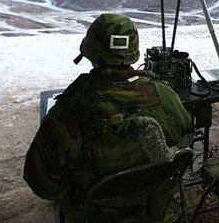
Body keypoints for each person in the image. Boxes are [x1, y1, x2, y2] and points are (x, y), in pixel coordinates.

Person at [24, 13, 193, 222]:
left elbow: (43, 183)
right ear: (134, 53)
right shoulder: (164, 93)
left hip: (94, 214)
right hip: (153, 207)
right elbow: (185, 138)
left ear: (90, 52)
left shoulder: (71, 109)